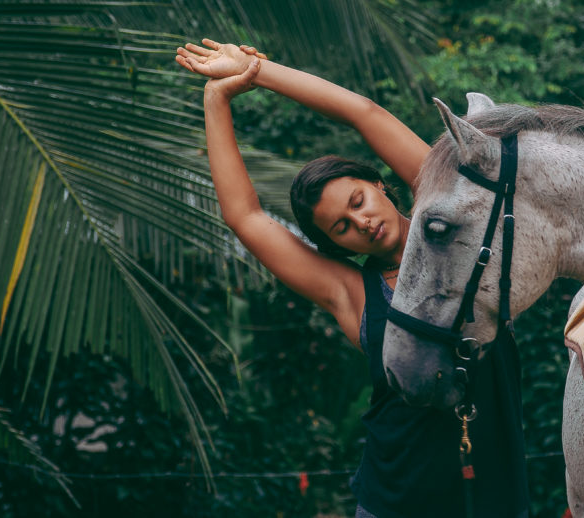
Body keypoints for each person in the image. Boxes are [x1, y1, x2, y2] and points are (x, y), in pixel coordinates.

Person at [175, 41, 530, 518]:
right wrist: (216, 100)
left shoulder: (453, 217)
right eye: (341, 226)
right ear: (337, 245)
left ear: (379, 184)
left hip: (496, 496)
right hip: (395, 503)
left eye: (358, 201)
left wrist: (256, 71)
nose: (360, 222)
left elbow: (363, 112)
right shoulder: (352, 295)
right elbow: (245, 217)